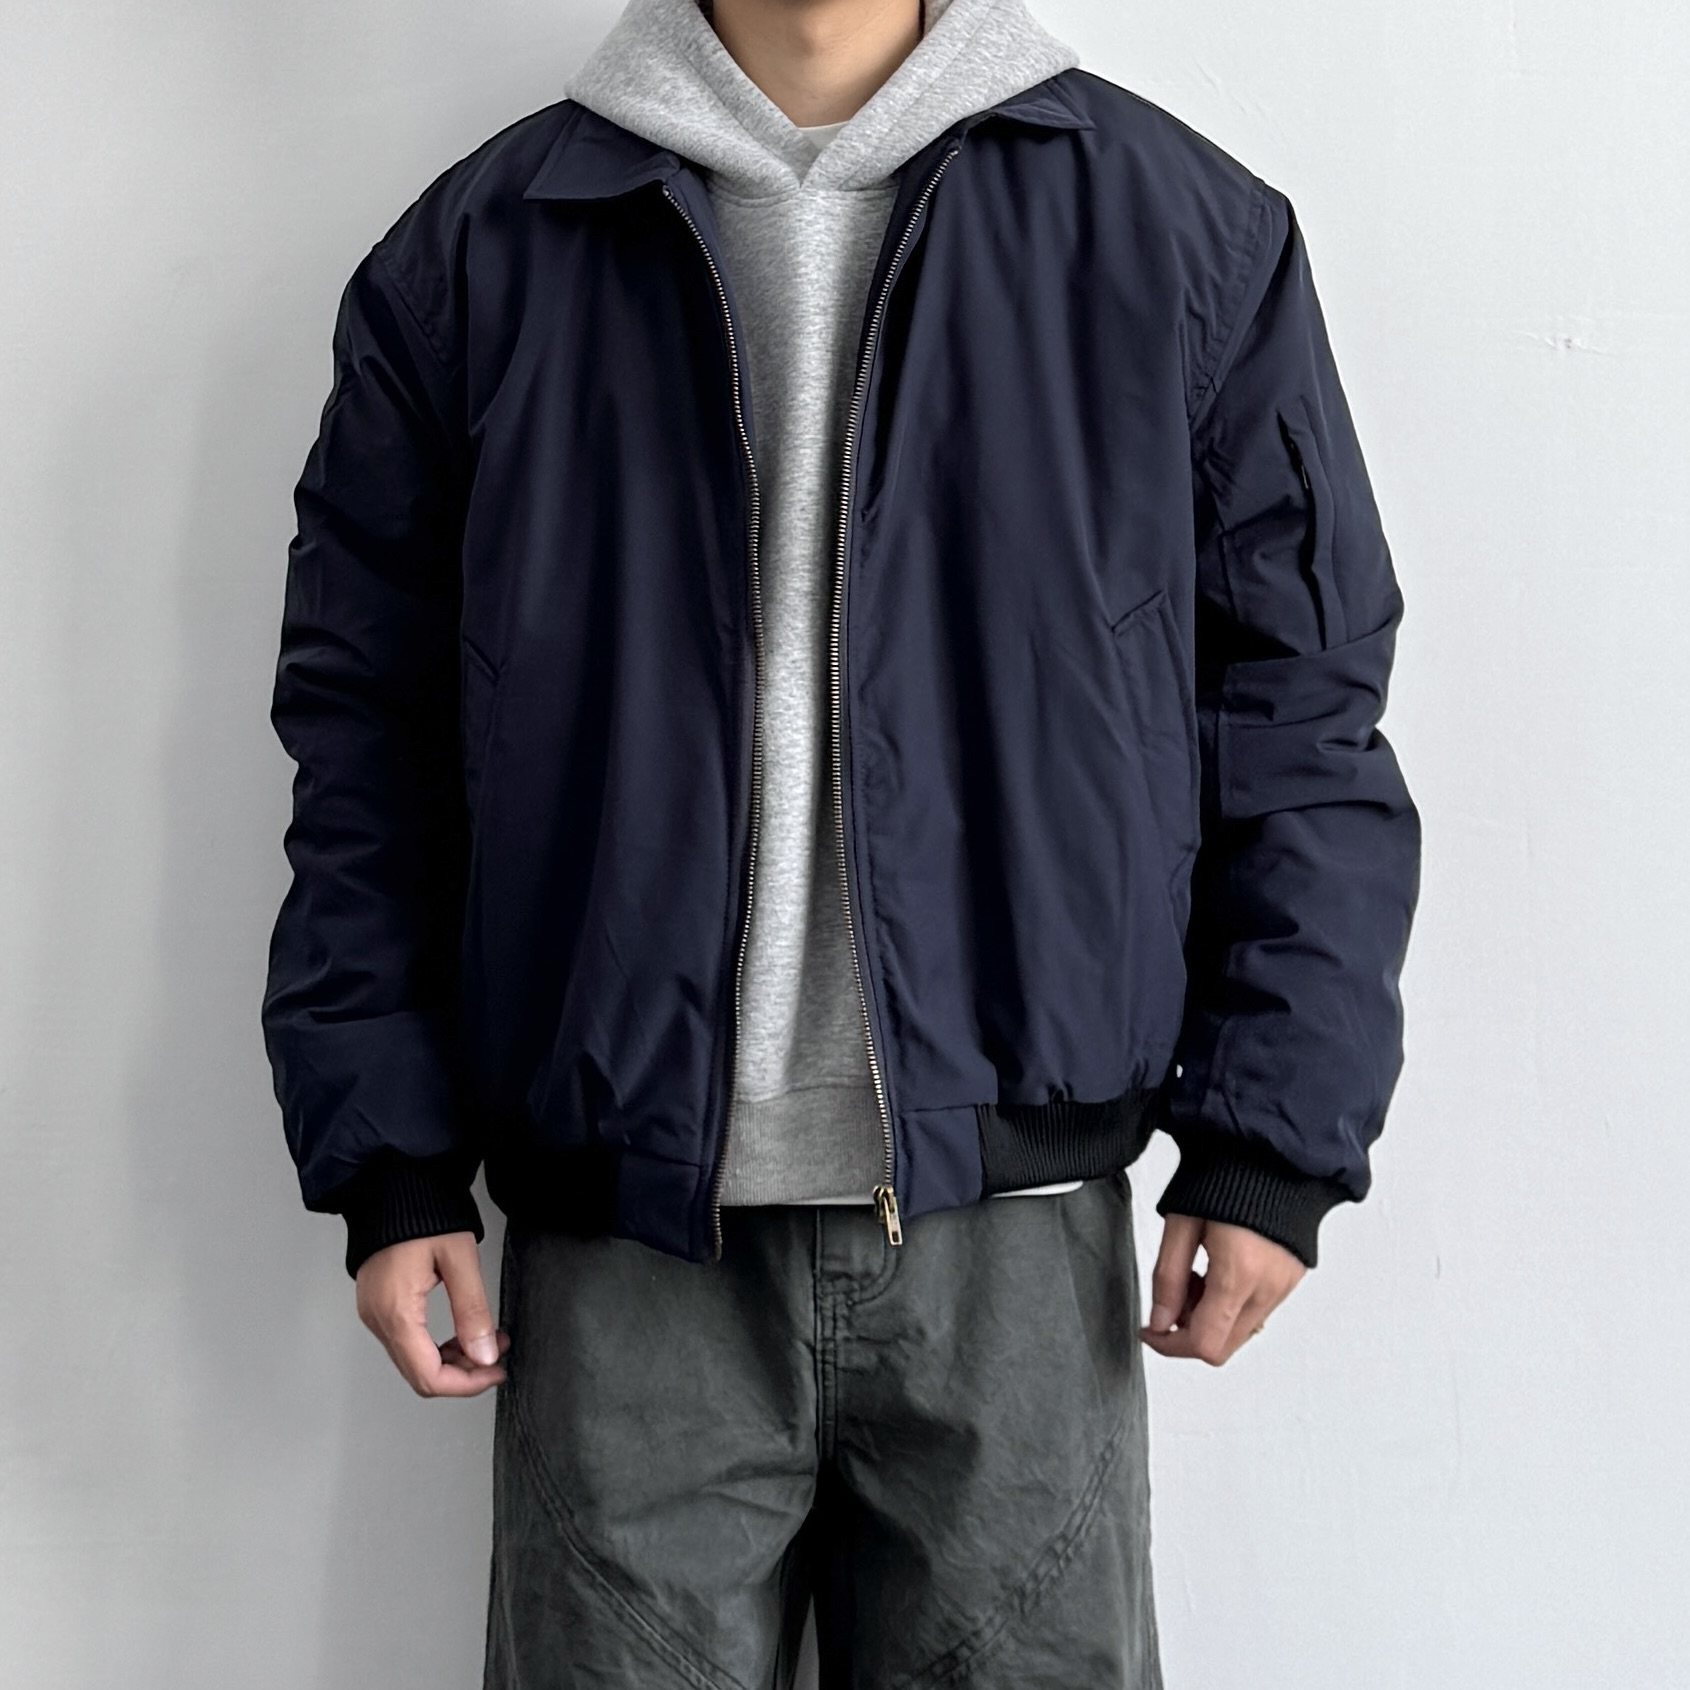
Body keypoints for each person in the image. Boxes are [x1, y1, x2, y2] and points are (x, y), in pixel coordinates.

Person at [261, 0, 1421, 1681]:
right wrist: (391, 1160)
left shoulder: (1179, 234)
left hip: (1016, 1232)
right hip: (624, 1238)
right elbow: (368, 737)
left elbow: (1298, 707)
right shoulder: (480, 253)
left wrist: (1272, 1138)